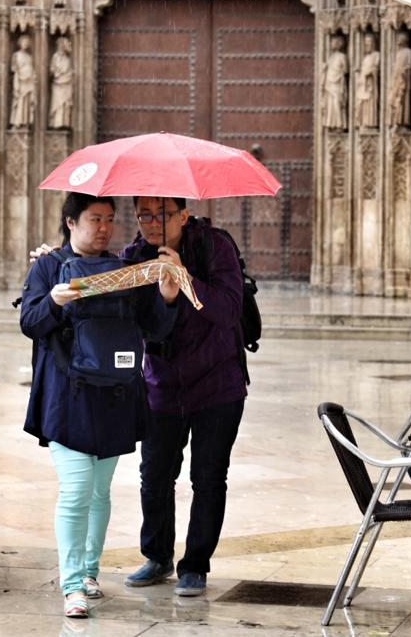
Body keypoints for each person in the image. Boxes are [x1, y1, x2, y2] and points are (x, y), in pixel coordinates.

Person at [21, 193, 179, 618]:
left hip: (114, 396)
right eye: (95, 219)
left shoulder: (123, 271)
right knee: (75, 491)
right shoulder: (48, 266)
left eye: (110, 219)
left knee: (99, 492)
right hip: (66, 398)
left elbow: (153, 329)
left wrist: (165, 297)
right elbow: (29, 323)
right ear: (70, 222)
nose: (105, 228)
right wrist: (54, 301)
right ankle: (72, 584)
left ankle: (90, 572)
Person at [123, 196, 246, 597]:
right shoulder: (135, 256)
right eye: (144, 215)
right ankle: (156, 557)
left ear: (183, 215)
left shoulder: (216, 246)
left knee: (208, 478)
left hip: (218, 383)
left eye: (162, 214)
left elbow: (228, 310)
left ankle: (195, 566)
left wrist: (185, 277)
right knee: (155, 475)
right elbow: (140, 323)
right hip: (162, 384)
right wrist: (167, 297)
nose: (153, 223)